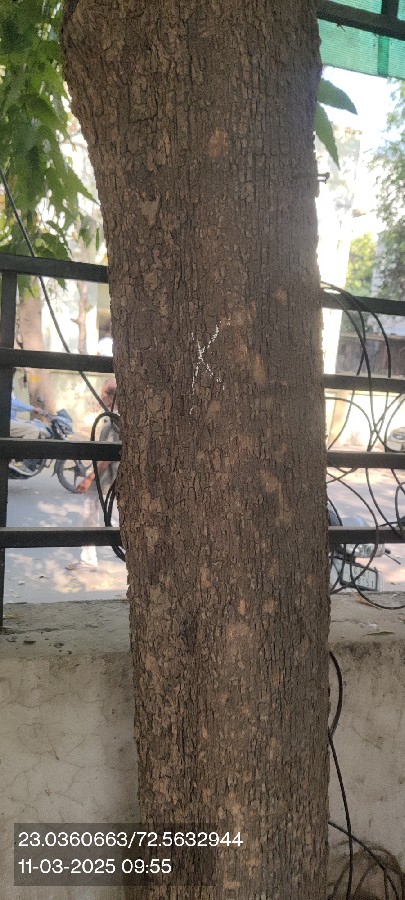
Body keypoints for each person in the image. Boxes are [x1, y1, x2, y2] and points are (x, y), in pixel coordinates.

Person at [66, 378, 120, 571]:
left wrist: (89, 479)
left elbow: (107, 457)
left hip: (108, 479)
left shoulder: (114, 420)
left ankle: (89, 560)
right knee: (100, 515)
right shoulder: (114, 417)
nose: (102, 398)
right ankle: (89, 559)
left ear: (112, 397)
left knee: (107, 516)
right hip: (109, 478)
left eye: (104, 394)